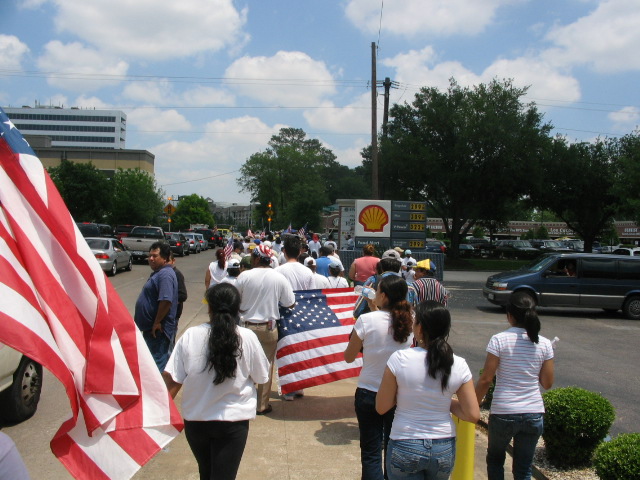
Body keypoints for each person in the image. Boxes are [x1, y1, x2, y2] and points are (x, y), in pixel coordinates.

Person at [163, 283, 270, 480]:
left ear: (210, 307)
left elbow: (172, 379)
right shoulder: (247, 337)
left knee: (206, 471)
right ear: (238, 308)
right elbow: (262, 376)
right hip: (233, 423)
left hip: (196, 422)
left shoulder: (190, 335)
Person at [376, 301, 480, 480]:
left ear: (420, 328)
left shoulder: (399, 359)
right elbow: (472, 414)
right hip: (443, 446)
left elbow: (381, 406)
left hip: (405, 441)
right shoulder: (459, 364)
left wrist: (404, 395)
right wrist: (445, 403)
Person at [475, 293, 555, 480]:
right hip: (533, 413)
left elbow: (486, 379)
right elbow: (547, 383)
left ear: (510, 315)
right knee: (524, 468)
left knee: (495, 460)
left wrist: (473, 404)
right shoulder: (544, 343)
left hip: (504, 412)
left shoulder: (499, 340)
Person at [344, 275, 414, 480]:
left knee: (371, 452)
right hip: (398, 394)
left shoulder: (366, 320)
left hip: (369, 392)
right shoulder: (411, 319)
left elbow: (349, 357)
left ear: (382, 295)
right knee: (392, 450)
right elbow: (388, 325)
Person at [234, 244, 296, 415]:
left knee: (243, 364)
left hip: (245, 327)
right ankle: (261, 405)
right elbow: (290, 302)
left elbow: (234, 300)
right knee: (266, 366)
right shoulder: (278, 278)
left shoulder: (244, 276)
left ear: (255, 258)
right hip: (269, 329)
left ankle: (241, 400)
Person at [134, 242, 178, 371]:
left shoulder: (165, 274)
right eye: (150, 256)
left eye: (155, 256)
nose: (151, 259)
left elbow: (166, 300)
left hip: (158, 331)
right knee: (151, 365)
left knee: (156, 368)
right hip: (151, 329)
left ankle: (159, 391)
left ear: (164, 258)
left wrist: (157, 322)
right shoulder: (160, 273)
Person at [169, 252, 188, 328]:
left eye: (168, 260)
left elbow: (182, 295)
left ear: (173, 261)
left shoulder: (177, 274)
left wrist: (168, 304)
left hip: (172, 316)